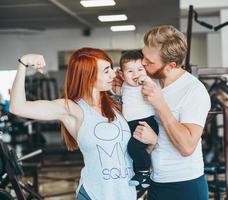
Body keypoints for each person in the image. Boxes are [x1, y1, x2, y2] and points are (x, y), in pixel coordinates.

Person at [9, 48, 157, 200]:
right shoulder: (72, 109)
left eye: (111, 69)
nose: (113, 74)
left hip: (126, 194)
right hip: (94, 195)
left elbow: (135, 151)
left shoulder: (117, 105)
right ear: (88, 76)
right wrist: (23, 63)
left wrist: (152, 142)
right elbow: (17, 107)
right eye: (107, 71)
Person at [135, 25, 211, 200]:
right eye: (143, 57)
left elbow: (187, 147)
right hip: (156, 182)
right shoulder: (152, 81)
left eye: (150, 62)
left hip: (185, 186)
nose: (143, 64)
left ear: (170, 66)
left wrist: (160, 104)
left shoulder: (193, 91)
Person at [118, 50, 159, 189]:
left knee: (134, 147)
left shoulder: (147, 83)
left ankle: (144, 172)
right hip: (131, 124)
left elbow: (154, 88)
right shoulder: (124, 86)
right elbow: (117, 93)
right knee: (130, 150)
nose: (136, 74)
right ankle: (141, 177)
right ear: (122, 75)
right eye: (130, 71)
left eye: (140, 69)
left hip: (146, 122)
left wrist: (146, 79)